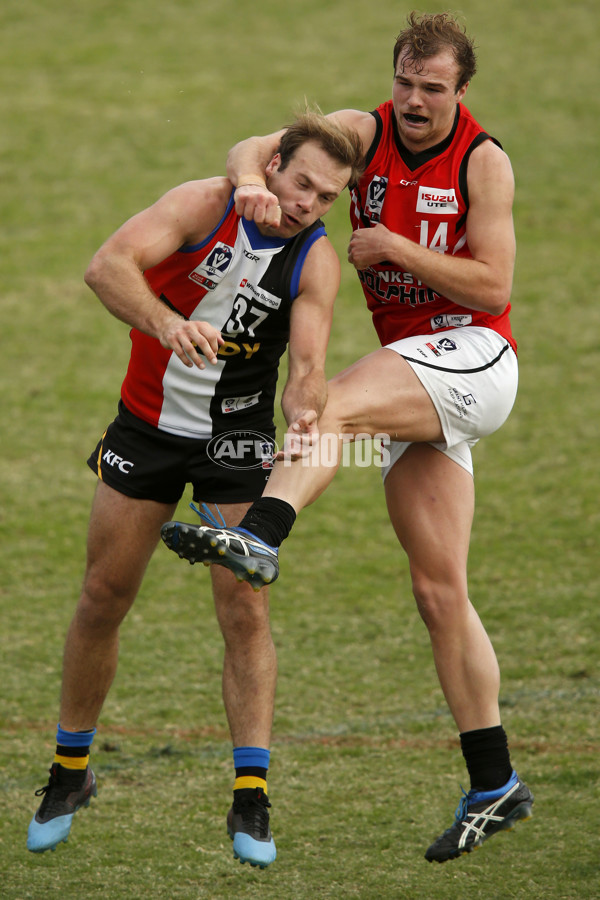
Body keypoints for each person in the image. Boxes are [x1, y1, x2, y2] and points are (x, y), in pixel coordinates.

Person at [161, 12, 534, 864]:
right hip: (415, 372)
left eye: (431, 89)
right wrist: (249, 180)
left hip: (474, 356)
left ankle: (258, 534)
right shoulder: (360, 134)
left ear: (460, 92)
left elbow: (496, 282)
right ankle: (496, 782)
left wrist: (393, 245)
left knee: (324, 406)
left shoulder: (483, 161)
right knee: (440, 591)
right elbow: (259, 146)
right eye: (404, 81)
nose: (412, 100)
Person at [26, 111, 364, 869]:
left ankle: (252, 795)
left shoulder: (314, 259)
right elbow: (106, 266)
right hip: (145, 430)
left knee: (244, 606)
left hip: (234, 443)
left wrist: (305, 407)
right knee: (102, 595)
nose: (309, 202)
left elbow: (308, 364)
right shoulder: (202, 205)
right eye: (302, 182)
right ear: (272, 164)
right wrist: (164, 321)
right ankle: (69, 773)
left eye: (327, 196)